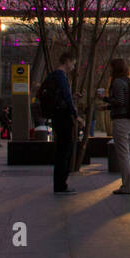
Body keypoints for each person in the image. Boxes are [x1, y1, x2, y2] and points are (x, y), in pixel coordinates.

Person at [107, 58, 130, 196]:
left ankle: (127, 186)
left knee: (123, 155)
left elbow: (120, 102)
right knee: (129, 154)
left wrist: (105, 99)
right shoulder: (128, 81)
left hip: (121, 121)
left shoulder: (117, 82)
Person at [48, 52, 82, 194]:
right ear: (67, 61)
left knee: (62, 149)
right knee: (65, 149)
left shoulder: (53, 76)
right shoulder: (61, 77)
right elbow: (66, 98)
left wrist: (72, 97)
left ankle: (60, 183)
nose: (73, 67)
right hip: (63, 118)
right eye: (73, 63)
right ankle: (61, 184)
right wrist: (76, 115)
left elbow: (63, 96)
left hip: (56, 116)